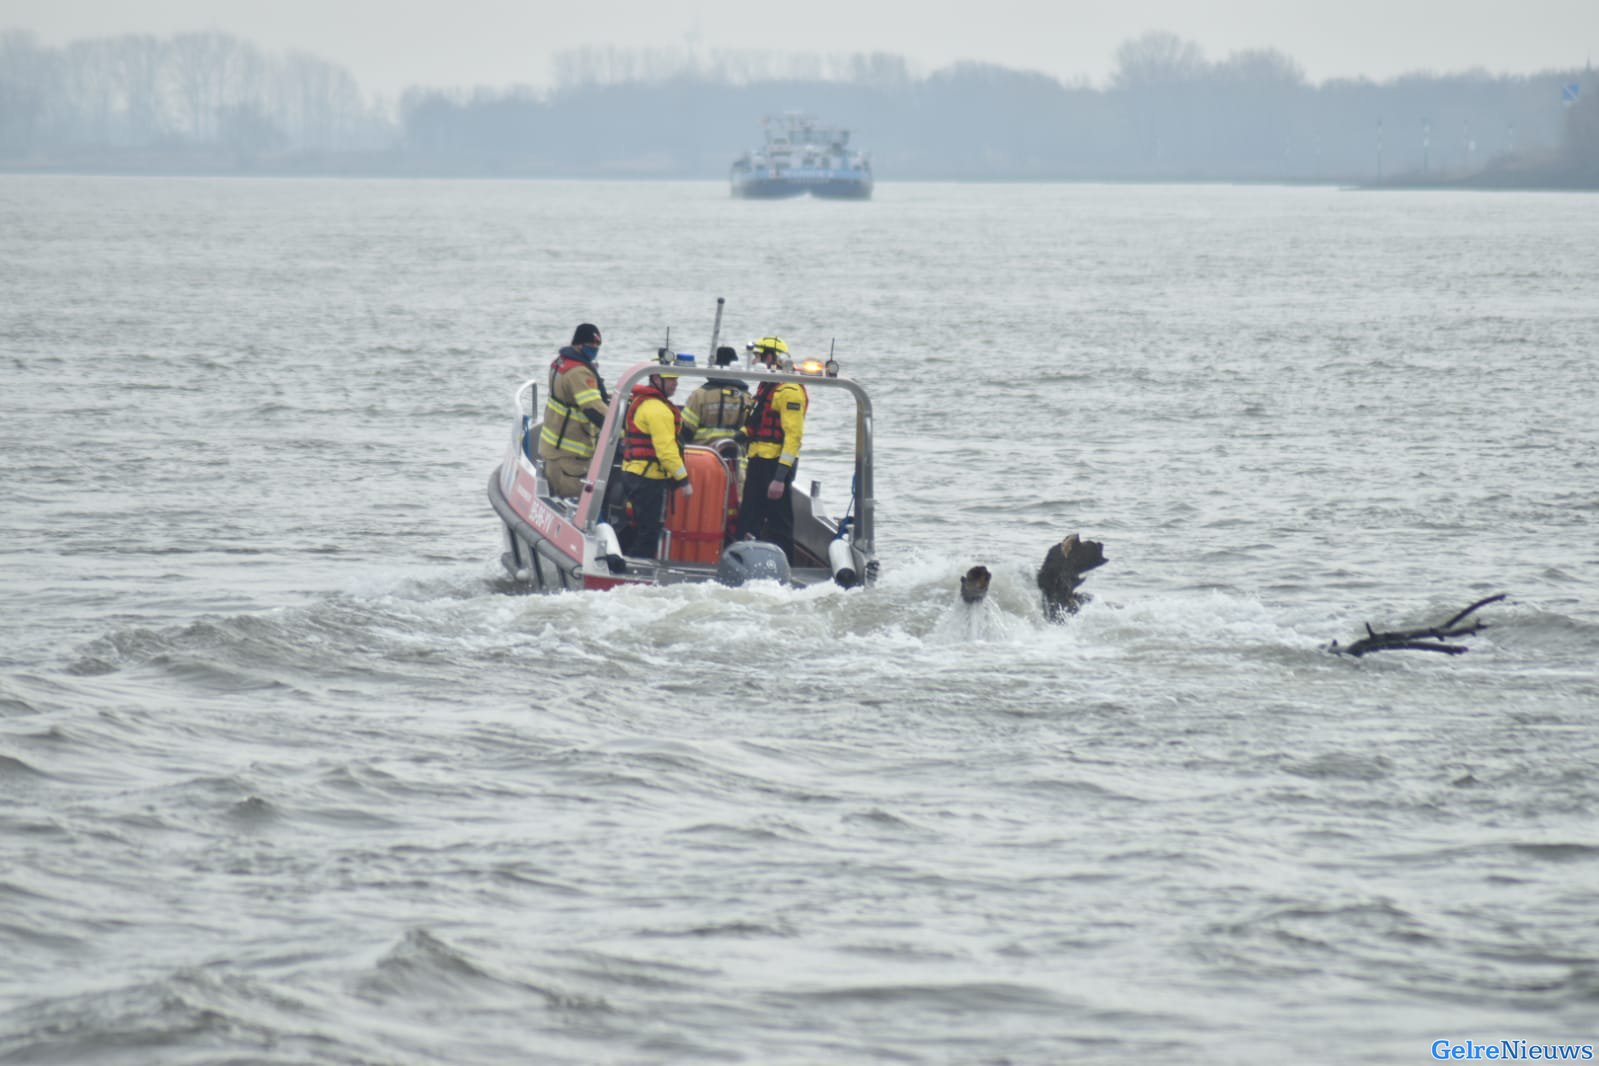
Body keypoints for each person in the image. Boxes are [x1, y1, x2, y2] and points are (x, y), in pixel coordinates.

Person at [734, 336, 807, 563]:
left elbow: (793, 437)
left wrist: (779, 478)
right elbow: (757, 421)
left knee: (779, 523)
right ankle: (742, 560)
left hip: (774, 466)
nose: (756, 361)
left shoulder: (789, 391)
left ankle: (786, 564)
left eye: (759, 356)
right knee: (749, 517)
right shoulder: (768, 386)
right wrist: (739, 436)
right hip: (758, 461)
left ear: (771, 357)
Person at [618, 367, 692, 558]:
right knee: (650, 531)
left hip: (632, 473)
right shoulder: (659, 410)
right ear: (656, 379)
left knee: (638, 525)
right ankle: (638, 571)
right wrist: (683, 480)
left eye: (676, 379)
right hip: (648, 479)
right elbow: (666, 451)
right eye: (670, 379)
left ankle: (623, 557)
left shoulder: (641, 402)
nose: (675, 383)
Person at [537, 323, 610, 498]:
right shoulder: (579, 372)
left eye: (597, 347)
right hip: (570, 458)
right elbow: (594, 410)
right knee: (577, 504)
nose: (594, 350)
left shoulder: (560, 363)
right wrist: (623, 425)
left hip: (553, 451)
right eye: (591, 347)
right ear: (578, 344)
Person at [680, 346, 753, 445]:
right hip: (736, 457)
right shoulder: (747, 398)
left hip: (703, 455)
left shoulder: (700, 395)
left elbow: (686, 431)